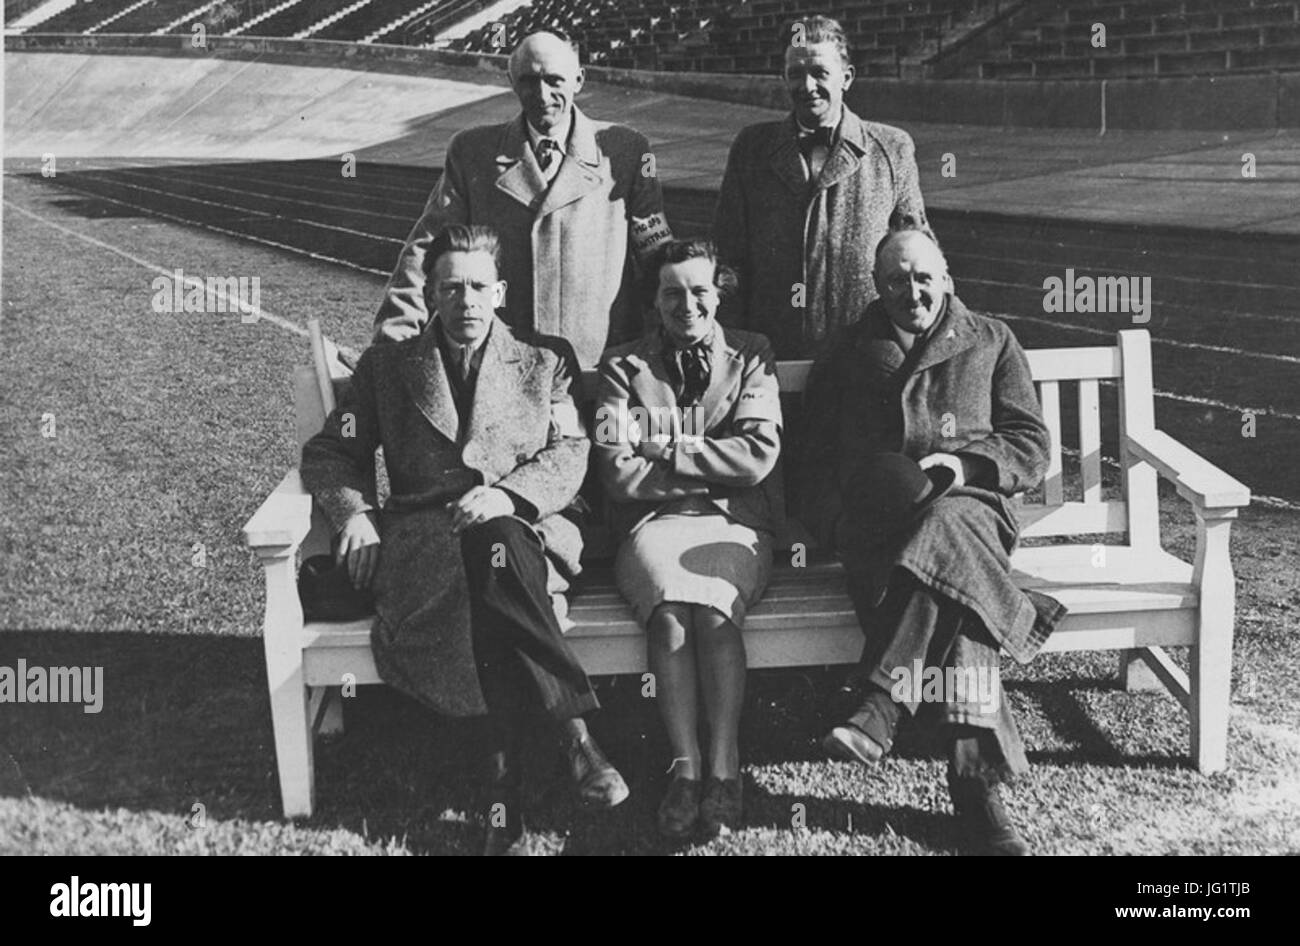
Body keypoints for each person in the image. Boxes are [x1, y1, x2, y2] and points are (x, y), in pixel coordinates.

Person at [302, 224, 628, 856]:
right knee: (482, 571)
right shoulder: (389, 366)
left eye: (479, 286)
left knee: (493, 546)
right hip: (428, 544)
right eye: (451, 288)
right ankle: (575, 735)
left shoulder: (545, 358)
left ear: (500, 291)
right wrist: (355, 515)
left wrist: (507, 495)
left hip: (526, 529)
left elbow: (572, 448)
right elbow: (333, 452)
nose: (467, 301)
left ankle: (502, 806)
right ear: (429, 295)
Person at [800, 220, 1066, 855]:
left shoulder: (992, 341)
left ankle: (880, 705)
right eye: (896, 280)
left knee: (948, 526)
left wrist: (964, 466)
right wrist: (838, 525)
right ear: (876, 286)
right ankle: (976, 795)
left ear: (946, 279)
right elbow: (808, 464)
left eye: (923, 277)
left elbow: (1031, 443)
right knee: (960, 589)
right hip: (883, 534)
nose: (911, 292)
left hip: (974, 509)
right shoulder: (847, 354)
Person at [592, 239, 783, 841]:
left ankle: (726, 769)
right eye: (671, 292)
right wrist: (701, 474)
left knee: (715, 610)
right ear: (653, 300)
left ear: (718, 291)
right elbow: (616, 474)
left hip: (735, 525)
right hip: (651, 529)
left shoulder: (753, 355)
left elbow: (757, 457)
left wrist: (669, 451)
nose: (687, 304)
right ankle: (686, 771)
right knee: (672, 613)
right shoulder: (622, 367)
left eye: (699, 291)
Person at [373, 30, 672, 367]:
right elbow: (427, 247)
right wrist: (396, 336)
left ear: (579, 79)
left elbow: (655, 251)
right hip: (500, 368)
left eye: (554, 80)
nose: (542, 95)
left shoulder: (628, 151)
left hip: (600, 367)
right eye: (529, 81)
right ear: (511, 81)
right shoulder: (472, 152)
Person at [713, 14, 927, 359]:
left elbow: (917, 254)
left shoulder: (892, 148)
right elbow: (727, 260)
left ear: (847, 77)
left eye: (819, 73)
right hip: (769, 358)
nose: (807, 86)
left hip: (864, 360)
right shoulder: (751, 148)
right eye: (795, 74)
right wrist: (731, 351)